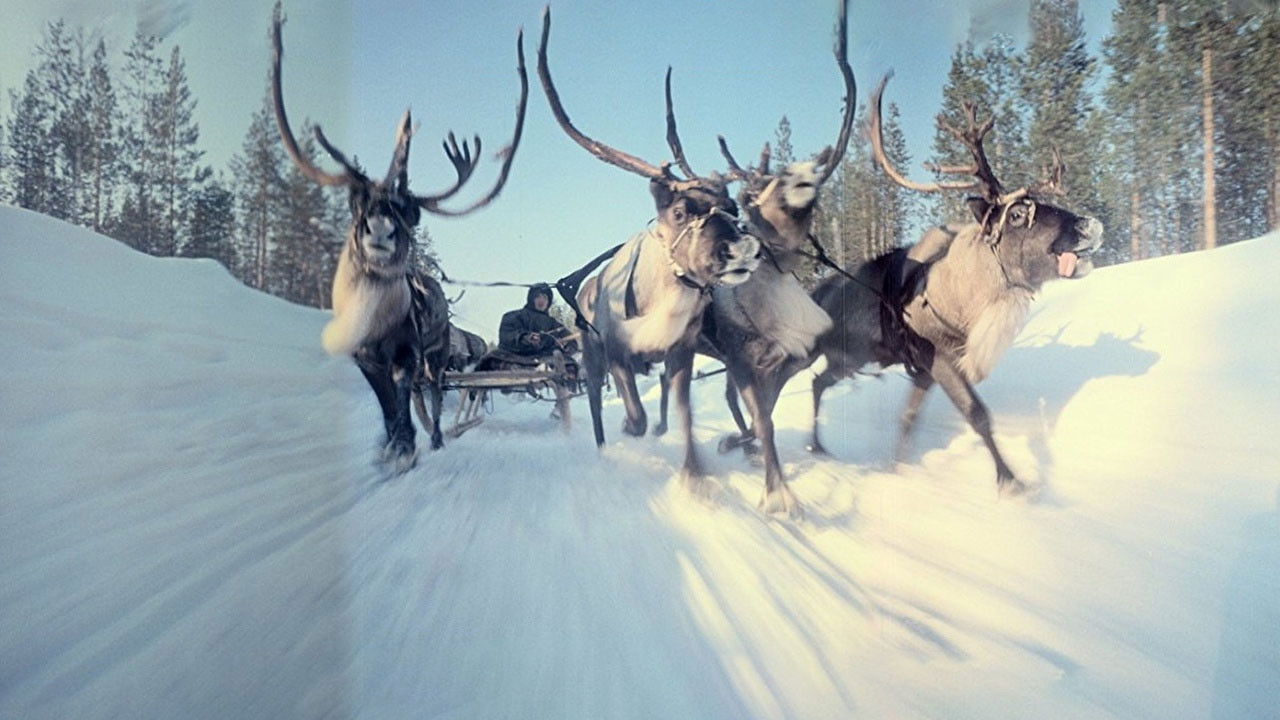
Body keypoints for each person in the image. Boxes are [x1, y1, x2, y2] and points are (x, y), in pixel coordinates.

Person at [498, 284, 575, 357]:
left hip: (546, 360)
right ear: (531, 299)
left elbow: (570, 340)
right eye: (537, 296)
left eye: (545, 297)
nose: (541, 300)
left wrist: (565, 346)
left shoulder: (553, 323)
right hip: (514, 357)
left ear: (549, 302)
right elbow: (507, 335)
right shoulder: (513, 316)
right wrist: (525, 338)